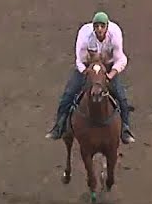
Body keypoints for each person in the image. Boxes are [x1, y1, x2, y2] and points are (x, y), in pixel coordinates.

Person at [45, 11, 135, 144]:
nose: (99, 29)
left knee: (121, 97)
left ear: (107, 27)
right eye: (96, 26)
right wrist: (88, 73)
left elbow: (121, 59)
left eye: (102, 26)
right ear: (93, 27)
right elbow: (80, 60)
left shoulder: (115, 35)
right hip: (87, 67)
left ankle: (125, 129)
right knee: (69, 94)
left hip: (108, 67)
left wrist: (110, 75)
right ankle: (59, 126)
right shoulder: (85, 36)